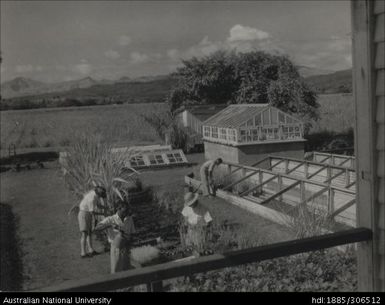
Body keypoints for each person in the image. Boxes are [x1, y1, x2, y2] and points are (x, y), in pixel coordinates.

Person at [94, 200, 136, 274]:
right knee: (115, 271)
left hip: (126, 247)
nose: (127, 212)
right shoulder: (111, 219)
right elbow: (96, 228)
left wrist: (130, 246)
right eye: (125, 210)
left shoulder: (130, 219)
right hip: (116, 248)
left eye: (127, 210)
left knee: (127, 270)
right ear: (118, 209)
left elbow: (132, 234)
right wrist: (109, 225)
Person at [76, 186, 107, 258]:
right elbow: (92, 212)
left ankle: (91, 250)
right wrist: (103, 214)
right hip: (84, 214)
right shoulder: (92, 198)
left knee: (89, 233)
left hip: (87, 214)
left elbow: (98, 205)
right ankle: (83, 253)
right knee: (84, 233)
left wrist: (105, 208)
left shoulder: (95, 195)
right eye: (102, 194)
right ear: (99, 193)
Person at [181, 192, 213, 257]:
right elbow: (185, 218)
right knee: (190, 249)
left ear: (195, 201)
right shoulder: (187, 208)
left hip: (200, 233)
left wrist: (201, 226)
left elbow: (209, 222)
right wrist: (185, 230)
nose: (190, 205)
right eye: (189, 204)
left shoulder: (203, 209)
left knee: (200, 250)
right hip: (190, 232)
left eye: (191, 204)